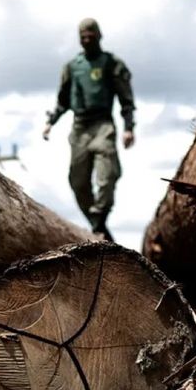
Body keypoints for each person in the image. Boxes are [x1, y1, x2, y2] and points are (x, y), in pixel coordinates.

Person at [43, 18, 135, 241]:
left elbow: (126, 99)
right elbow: (63, 101)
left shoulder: (112, 63)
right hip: (79, 128)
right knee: (78, 181)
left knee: (108, 174)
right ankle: (98, 226)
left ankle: (99, 220)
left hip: (103, 124)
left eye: (90, 36)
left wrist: (128, 128)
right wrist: (50, 122)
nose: (86, 40)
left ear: (99, 36)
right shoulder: (73, 67)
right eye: (82, 37)